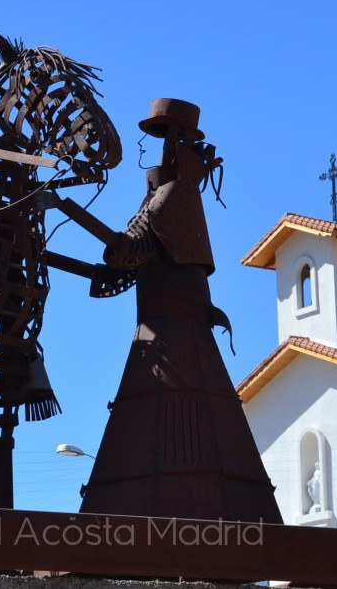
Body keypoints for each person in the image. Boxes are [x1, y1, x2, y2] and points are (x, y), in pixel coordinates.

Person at [78, 98, 283, 524]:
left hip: (175, 340)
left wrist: (65, 209)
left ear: (180, 145)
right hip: (156, 333)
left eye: (164, 137)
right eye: (156, 137)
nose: (154, 147)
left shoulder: (176, 195)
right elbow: (125, 263)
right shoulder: (157, 198)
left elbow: (129, 250)